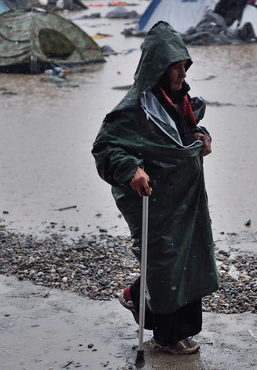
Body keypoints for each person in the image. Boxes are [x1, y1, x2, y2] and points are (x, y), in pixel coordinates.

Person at [91, 21, 219, 355]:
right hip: (155, 200)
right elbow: (106, 149)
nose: (181, 73)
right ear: (158, 69)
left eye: (183, 66)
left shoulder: (179, 100)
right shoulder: (133, 109)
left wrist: (201, 138)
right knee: (165, 261)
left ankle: (149, 306)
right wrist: (130, 169)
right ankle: (166, 337)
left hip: (185, 198)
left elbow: (182, 134)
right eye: (175, 67)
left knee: (188, 258)